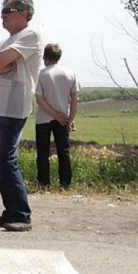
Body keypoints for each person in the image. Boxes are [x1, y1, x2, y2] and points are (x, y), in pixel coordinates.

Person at [0, 0, 44, 232]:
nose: (2, 15)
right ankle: (10, 211)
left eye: (7, 10)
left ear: (24, 14)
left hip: (12, 106)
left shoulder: (30, 35)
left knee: (6, 158)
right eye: (2, 10)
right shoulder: (8, 40)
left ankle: (21, 214)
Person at [35, 43, 80, 189]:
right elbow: (74, 99)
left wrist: (54, 114)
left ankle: (44, 183)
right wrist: (70, 119)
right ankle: (65, 183)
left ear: (45, 57)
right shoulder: (70, 73)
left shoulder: (42, 74)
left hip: (43, 118)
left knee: (43, 152)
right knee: (64, 152)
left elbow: (39, 99)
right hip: (63, 117)